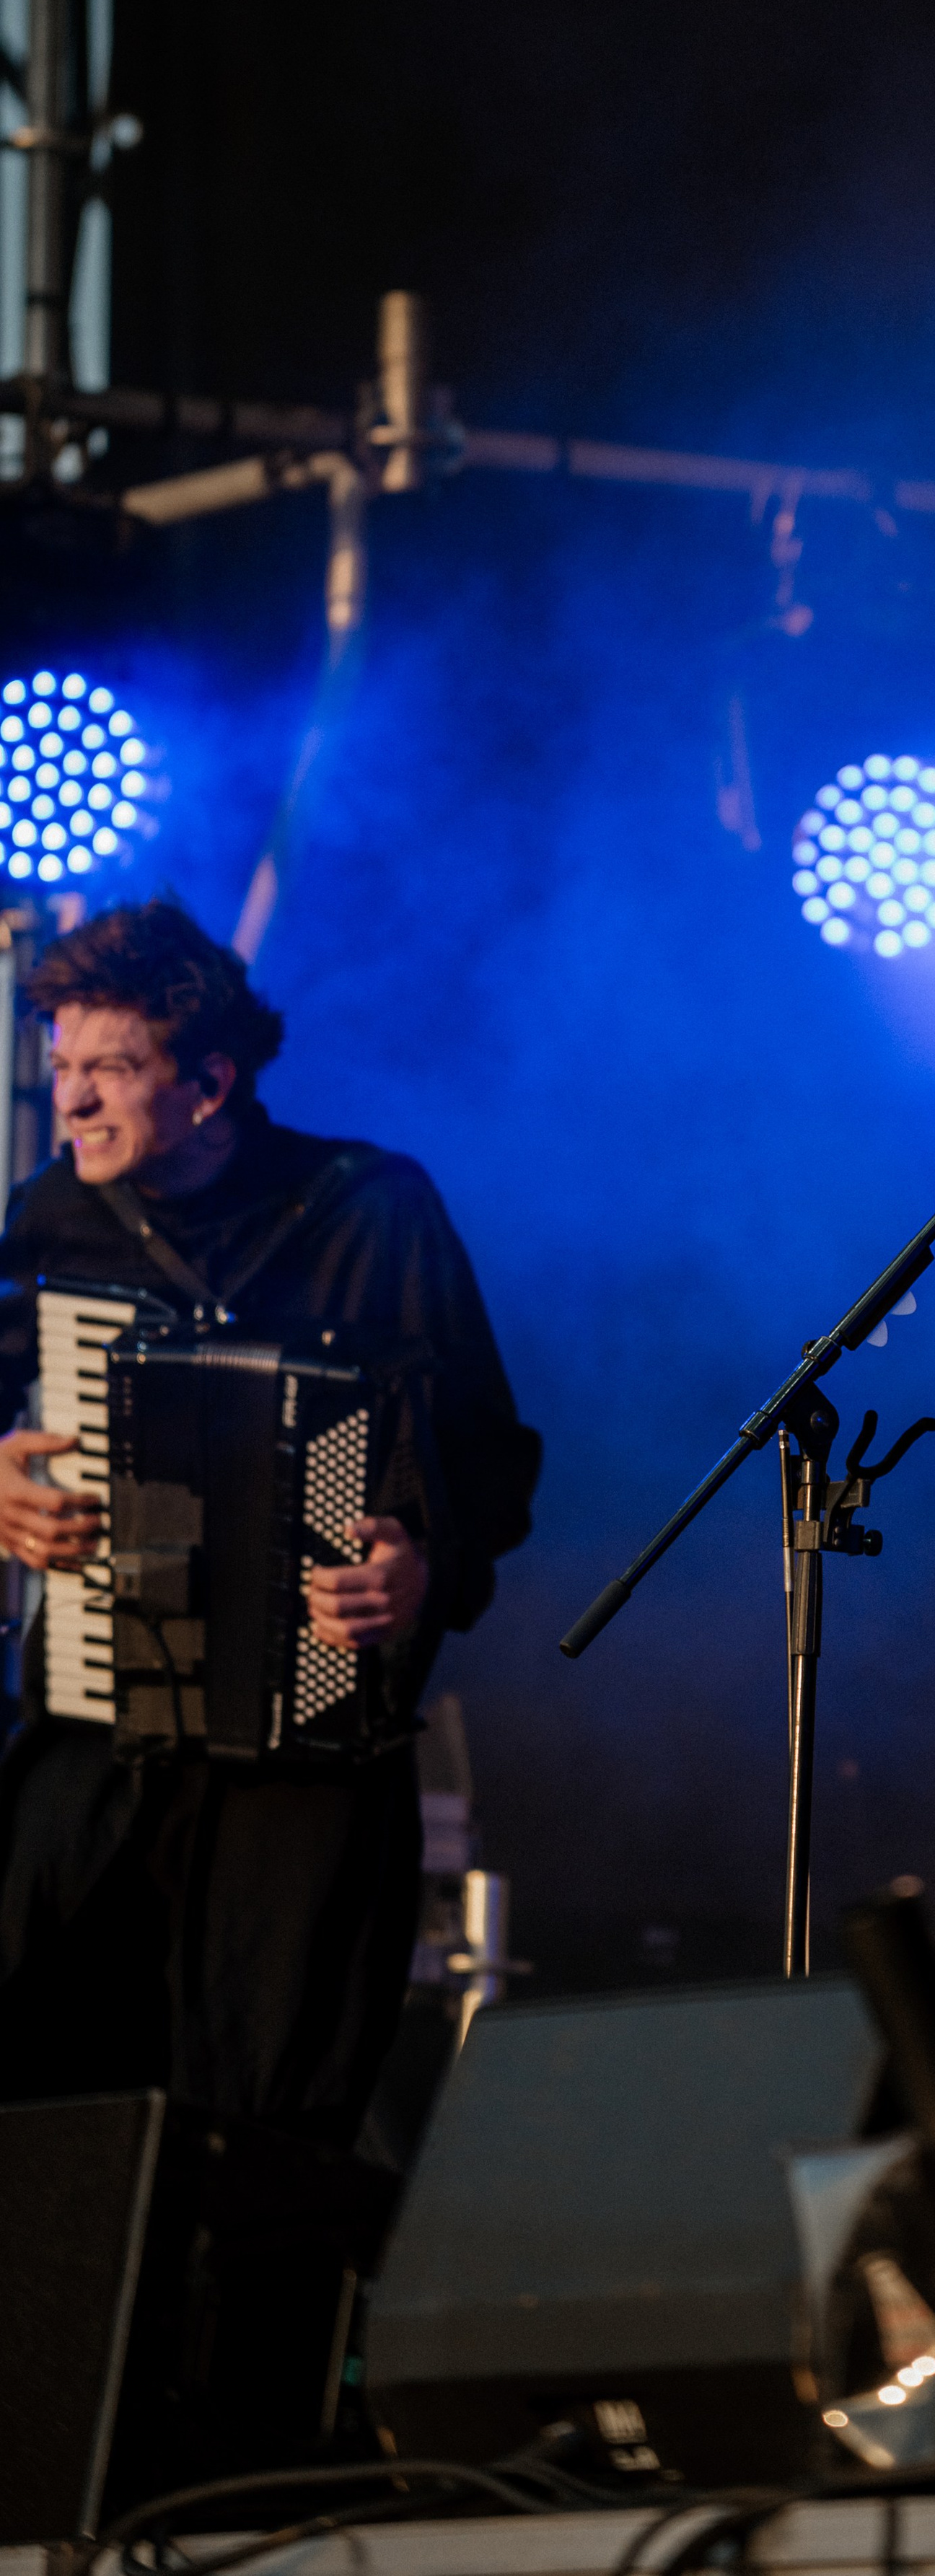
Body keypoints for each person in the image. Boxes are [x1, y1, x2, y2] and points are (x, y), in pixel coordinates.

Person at [0, 900, 540, 2146]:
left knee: (270, 2136)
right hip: (101, 1736)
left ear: (208, 1083)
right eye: (63, 1069)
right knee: (39, 2081)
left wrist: (421, 1565)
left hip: (305, 1769)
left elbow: (493, 1462)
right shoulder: (57, 1219)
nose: (72, 1102)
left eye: (109, 1072)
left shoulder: (372, 1209)